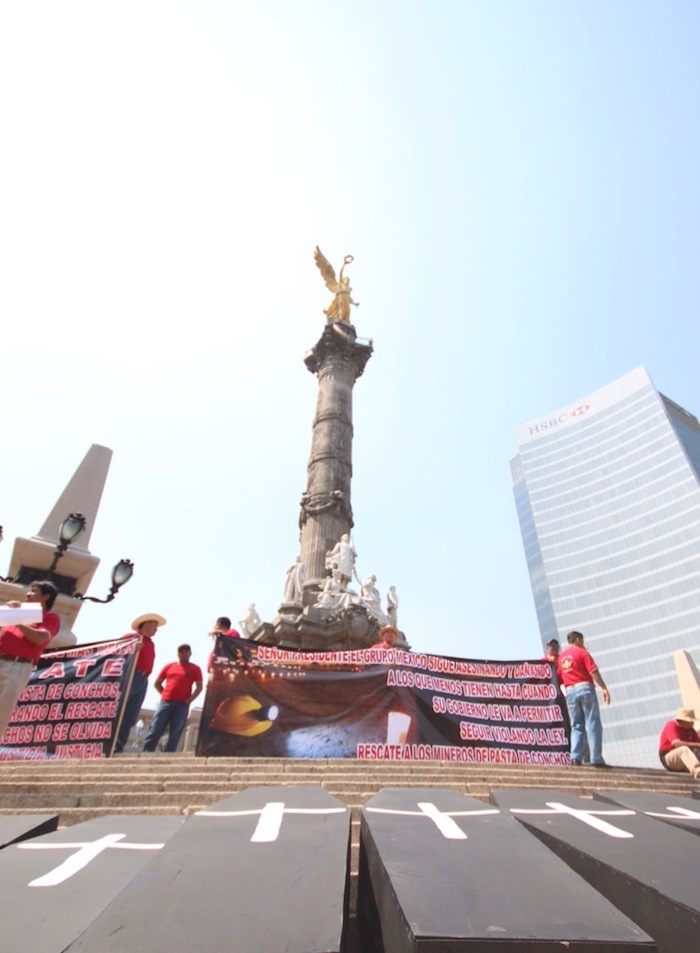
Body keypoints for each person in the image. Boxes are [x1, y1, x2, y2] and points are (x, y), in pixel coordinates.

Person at [0, 581, 60, 738]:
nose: (27, 593)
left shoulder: (50, 617)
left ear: (46, 597)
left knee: (2, 710)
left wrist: (15, 618)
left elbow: (40, 638)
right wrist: (7, 612)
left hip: (18, 666)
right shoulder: (20, 612)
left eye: (33, 591)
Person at [114, 612, 166, 754]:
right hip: (130, 675)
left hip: (143, 679)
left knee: (131, 715)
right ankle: (110, 743)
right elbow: (114, 651)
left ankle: (118, 745)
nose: (156, 628)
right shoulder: (131, 637)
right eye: (154, 625)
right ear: (145, 625)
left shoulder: (150, 643)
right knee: (120, 711)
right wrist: (130, 649)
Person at [557, 630, 611, 767]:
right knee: (592, 723)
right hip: (585, 688)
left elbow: (559, 679)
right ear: (578, 640)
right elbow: (593, 672)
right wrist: (604, 687)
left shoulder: (561, 658)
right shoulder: (582, 652)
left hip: (570, 691)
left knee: (576, 726)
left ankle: (575, 757)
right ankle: (596, 758)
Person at [142, 644, 203, 753]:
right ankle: (147, 751)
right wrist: (165, 694)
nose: (184, 654)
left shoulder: (195, 669)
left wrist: (190, 700)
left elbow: (199, 687)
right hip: (165, 702)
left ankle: (168, 754)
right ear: (177, 653)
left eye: (186, 652)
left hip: (182, 705)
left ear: (190, 653)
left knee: (175, 732)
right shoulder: (169, 666)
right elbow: (157, 683)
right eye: (181, 652)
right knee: (156, 728)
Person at [658, 708, 700, 779]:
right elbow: (677, 744)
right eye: (691, 721)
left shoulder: (691, 730)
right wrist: (697, 745)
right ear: (683, 721)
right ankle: (698, 771)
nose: (692, 724)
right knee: (683, 749)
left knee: (696, 751)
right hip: (669, 758)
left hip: (686, 759)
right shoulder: (671, 725)